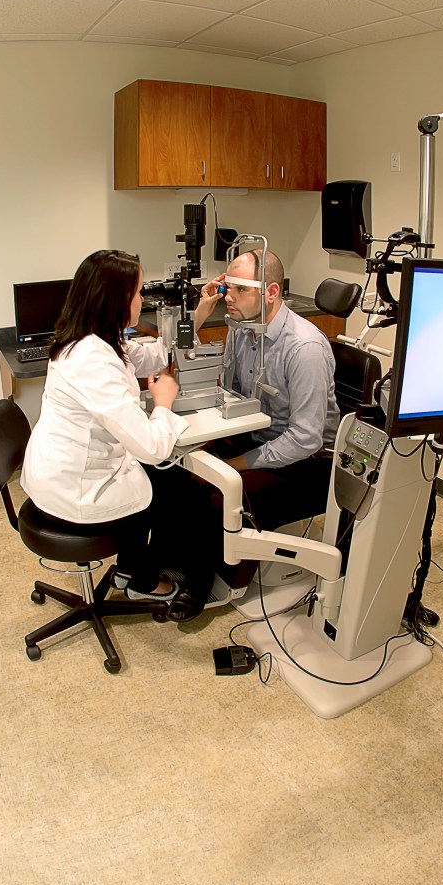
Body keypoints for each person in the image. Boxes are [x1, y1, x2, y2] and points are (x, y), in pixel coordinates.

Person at [164, 247, 340, 619]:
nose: (229, 297)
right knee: (175, 470)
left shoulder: (304, 348)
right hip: (257, 432)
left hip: (308, 463)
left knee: (219, 495)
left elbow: (306, 438)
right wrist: (200, 312)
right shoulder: (243, 329)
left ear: (272, 292)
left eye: (240, 289)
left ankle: (200, 583)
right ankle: (175, 557)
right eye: (227, 287)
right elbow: (205, 373)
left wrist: (236, 464)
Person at [20, 249, 191, 602]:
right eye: (138, 292)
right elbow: (152, 448)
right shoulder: (91, 359)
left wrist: (197, 313)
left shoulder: (90, 337)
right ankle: (142, 580)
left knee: (157, 476)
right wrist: (163, 402)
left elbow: (150, 357)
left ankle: (130, 570)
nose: (143, 299)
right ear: (116, 300)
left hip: (58, 472)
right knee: (175, 486)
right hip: (73, 494)